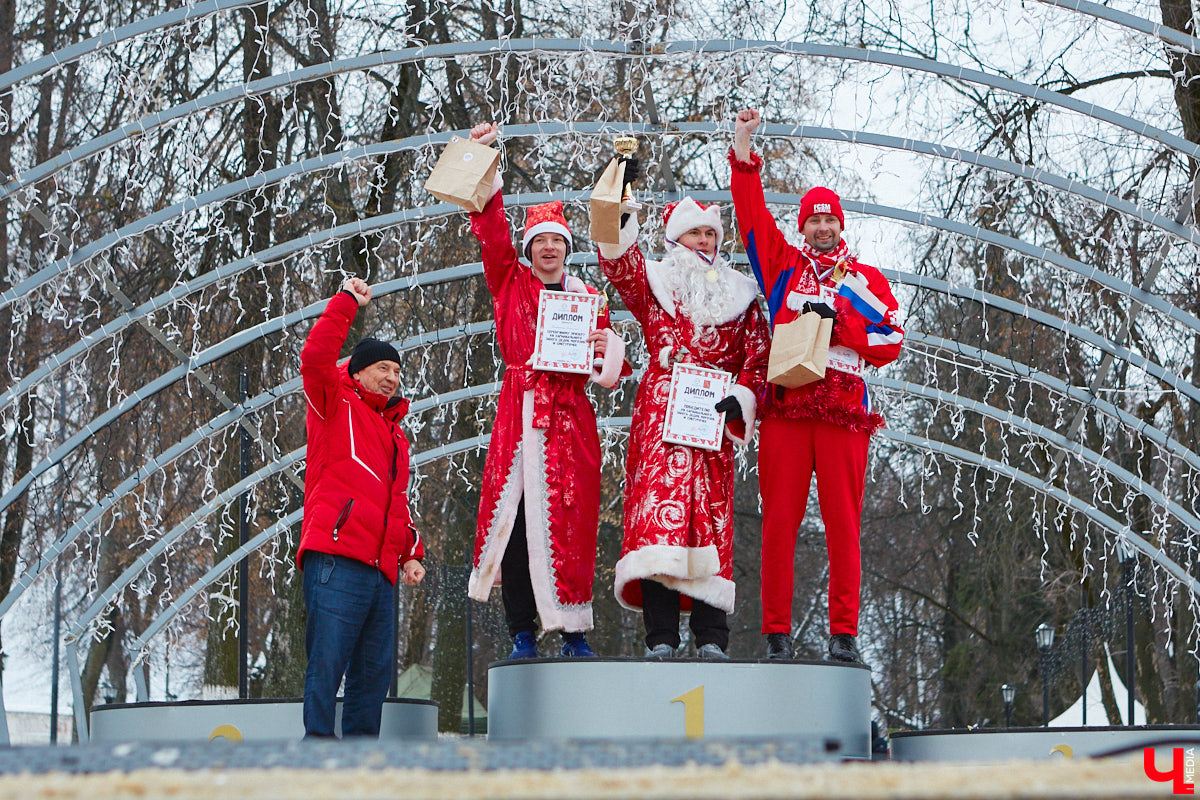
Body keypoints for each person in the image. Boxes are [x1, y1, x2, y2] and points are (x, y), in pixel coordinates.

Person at [729, 108, 905, 664]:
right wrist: (743, 152)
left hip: (843, 411)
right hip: (786, 407)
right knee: (779, 522)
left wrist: (840, 326)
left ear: (841, 226)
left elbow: (892, 340)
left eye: (830, 220)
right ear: (802, 227)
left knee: (843, 524)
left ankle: (844, 634)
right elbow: (751, 216)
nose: (822, 228)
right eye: (813, 220)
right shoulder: (782, 266)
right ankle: (776, 634)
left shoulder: (865, 279)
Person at [462, 122, 629, 659]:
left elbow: (611, 372)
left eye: (557, 240)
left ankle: (574, 632)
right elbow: (491, 232)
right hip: (520, 413)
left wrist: (607, 346)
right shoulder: (510, 282)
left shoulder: (588, 299)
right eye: (541, 241)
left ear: (567, 248)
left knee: (570, 523)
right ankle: (522, 631)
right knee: (515, 524)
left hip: (570, 421)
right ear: (530, 249)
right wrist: (484, 158)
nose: (549, 247)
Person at [597, 189, 770, 660]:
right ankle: (661, 637)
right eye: (695, 232)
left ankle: (712, 636)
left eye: (711, 232)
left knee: (709, 520)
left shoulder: (741, 295)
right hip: (661, 416)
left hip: (711, 418)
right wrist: (618, 205)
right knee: (659, 520)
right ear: (676, 239)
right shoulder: (655, 282)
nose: (705, 240)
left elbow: (758, 357)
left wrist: (742, 398)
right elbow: (618, 263)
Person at [297, 277, 427, 738]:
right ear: (357, 371)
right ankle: (316, 752)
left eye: (397, 371)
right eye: (382, 368)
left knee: (372, 679)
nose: (392, 377)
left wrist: (410, 551)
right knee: (327, 664)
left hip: (381, 572)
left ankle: (360, 764)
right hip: (337, 559)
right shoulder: (333, 402)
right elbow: (315, 357)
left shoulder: (396, 436)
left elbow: (396, 502)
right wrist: (348, 302)